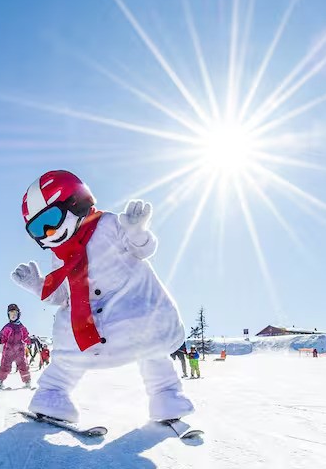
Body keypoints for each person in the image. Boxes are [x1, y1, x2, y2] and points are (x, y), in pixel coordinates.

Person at [12, 170, 193, 423]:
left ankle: (166, 396)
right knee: (68, 356)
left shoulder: (108, 224)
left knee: (150, 347)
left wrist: (136, 232)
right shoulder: (60, 254)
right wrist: (37, 285)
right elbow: (61, 295)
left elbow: (142, 251)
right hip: (84, 322)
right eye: (38, 230)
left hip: (130, 310)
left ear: (75, 202)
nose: (49, 234)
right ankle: (52, 396)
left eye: (51, 219)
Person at [0, 303, 32, 389]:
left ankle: (27, 382)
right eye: (11, 314)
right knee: (5, 366)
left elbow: (26, 336)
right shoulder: (8, 327)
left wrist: (30, 340)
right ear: (8, 315)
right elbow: (2, 336)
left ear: (18, 314)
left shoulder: (22, 327)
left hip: (20, 350)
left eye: (15, 314)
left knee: (23, 366)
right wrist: (0, 340)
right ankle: (0, 382)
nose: (13, 316)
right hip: (8, 351)